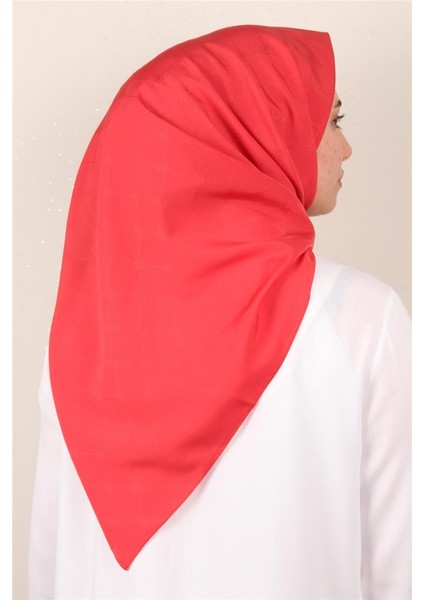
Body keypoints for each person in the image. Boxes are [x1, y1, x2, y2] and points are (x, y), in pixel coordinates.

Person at [27, 24, 411, 599]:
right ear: (256, 131)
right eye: (334, 120)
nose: (347, 147)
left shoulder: (82, 343)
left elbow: (48, 568)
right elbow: (402, 569)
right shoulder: (362, 321)